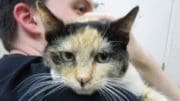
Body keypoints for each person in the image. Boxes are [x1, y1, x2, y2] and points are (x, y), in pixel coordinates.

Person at [0, 0, 179, 101]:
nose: (97, 21)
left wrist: (141, 59)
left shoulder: (7, 73)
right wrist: (145, 61)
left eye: (97, 9)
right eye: (81, 9)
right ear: (31, 18)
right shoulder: (55, 93)